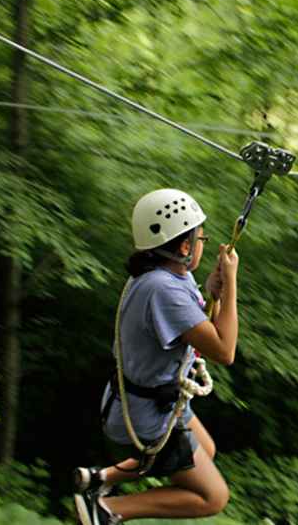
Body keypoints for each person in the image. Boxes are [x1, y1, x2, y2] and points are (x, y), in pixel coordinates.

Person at [73, 188, 239, 525]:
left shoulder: (167, 275)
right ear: (184, 246)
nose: (204, 243)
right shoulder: (164, 289)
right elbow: (224, 351)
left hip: (141, 400)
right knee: (214, 496)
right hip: (145, 416)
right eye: (201, 237)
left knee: (206, 450)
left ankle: (101, 477)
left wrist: (214, 295)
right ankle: (107, 510)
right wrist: (232, 283)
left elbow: (198, 330)